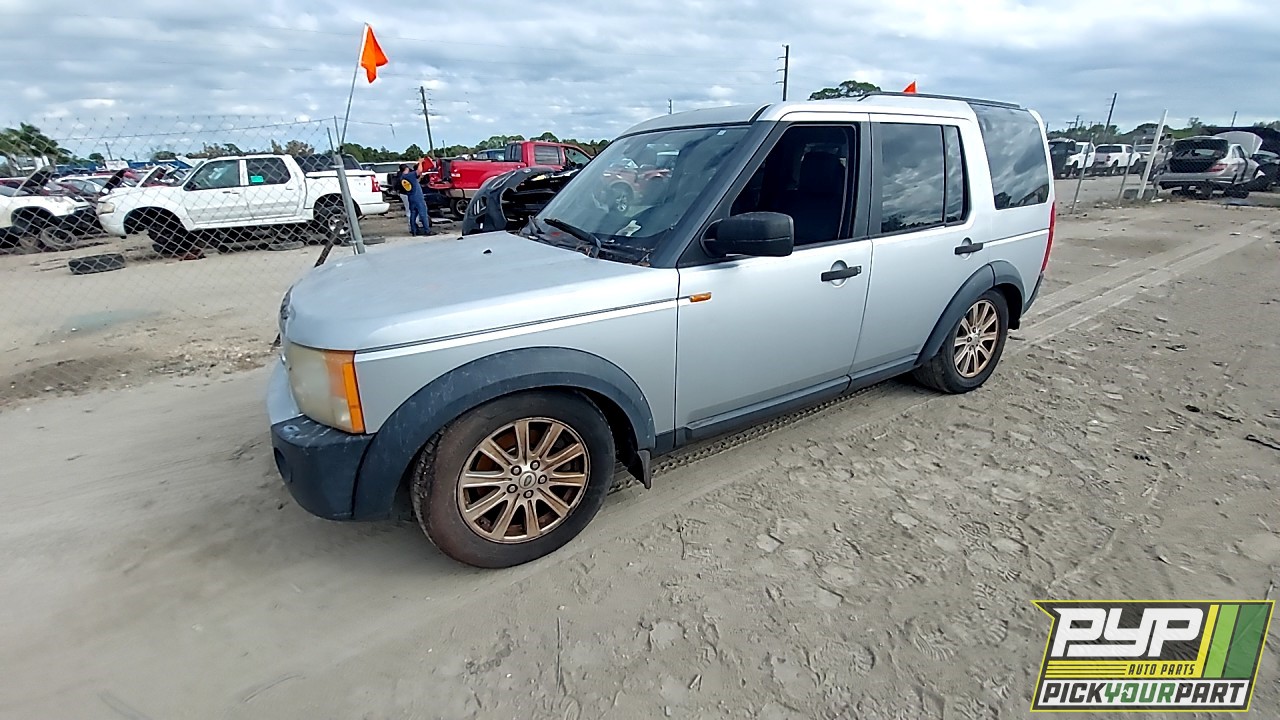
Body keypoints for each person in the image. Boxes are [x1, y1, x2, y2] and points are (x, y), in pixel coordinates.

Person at [399, 166, 433, 236]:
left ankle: (414, 230)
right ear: (406, 169)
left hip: (411, 197)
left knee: (413, 214)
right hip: (418, 197)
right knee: (423, 214)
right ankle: (427, 230)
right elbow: (419, 170)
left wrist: (419, 177)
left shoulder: (402, 177)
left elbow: (415, 181)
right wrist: (420, 162)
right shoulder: (409, 175)